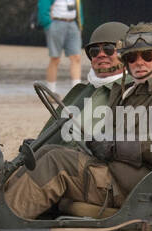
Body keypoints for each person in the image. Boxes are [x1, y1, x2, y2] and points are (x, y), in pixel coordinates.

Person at [3, 23, 152, 219]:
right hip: (114, 172)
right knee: (49, 151)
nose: (139, 62)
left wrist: (117, 147)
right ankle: (0, 208)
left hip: (139, 183)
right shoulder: (127, 93)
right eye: (132, 57)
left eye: (147, 56)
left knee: (56, 162)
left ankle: (5, 222)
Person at [30, 21, 128, 153]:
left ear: (127, 54)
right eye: (94, 51)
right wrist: (38, 145)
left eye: (109, 49)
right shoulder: (84, 90)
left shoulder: (131, 91)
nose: (101, 54)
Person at [36, 0, 83, 93]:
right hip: (56, 23)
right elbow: (43, 5)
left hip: (72, 23)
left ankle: (76, 90)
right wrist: (47, 24)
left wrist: (80, 24)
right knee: (55, 58)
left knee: (76, 57)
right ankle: (51, 90)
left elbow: (78, 5)